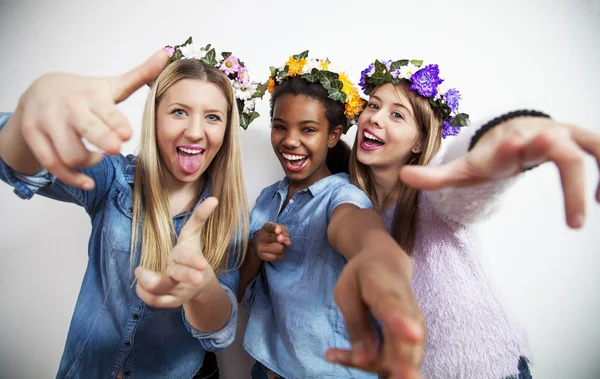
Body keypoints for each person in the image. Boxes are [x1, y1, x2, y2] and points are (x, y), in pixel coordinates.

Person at [0, 38, 264, 379]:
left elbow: (219, 332)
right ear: (155, 118)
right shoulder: (114, 180)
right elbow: (18, 165)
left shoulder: (228, 215)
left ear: (227, 130)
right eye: (179, 111)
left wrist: (201, 289)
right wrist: (28, 115)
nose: (195, 131)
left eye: (212, 117)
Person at [324, 58, 600, 378]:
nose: (374, 118)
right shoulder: (352, 203)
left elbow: (468, 185)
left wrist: (501, 141)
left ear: (419, 141)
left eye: (396, 114)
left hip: (492, 371)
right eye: (373, 105)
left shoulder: (435, 190)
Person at [237, 51, 424, 379]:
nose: (290, 140)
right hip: (266, 369)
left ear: (334, 135)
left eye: (308, 129)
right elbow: (232, 294)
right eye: (280, 127)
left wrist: (378, 253)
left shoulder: (343, 196)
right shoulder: (267, 200)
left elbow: (353, 225)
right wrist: (254, 250)